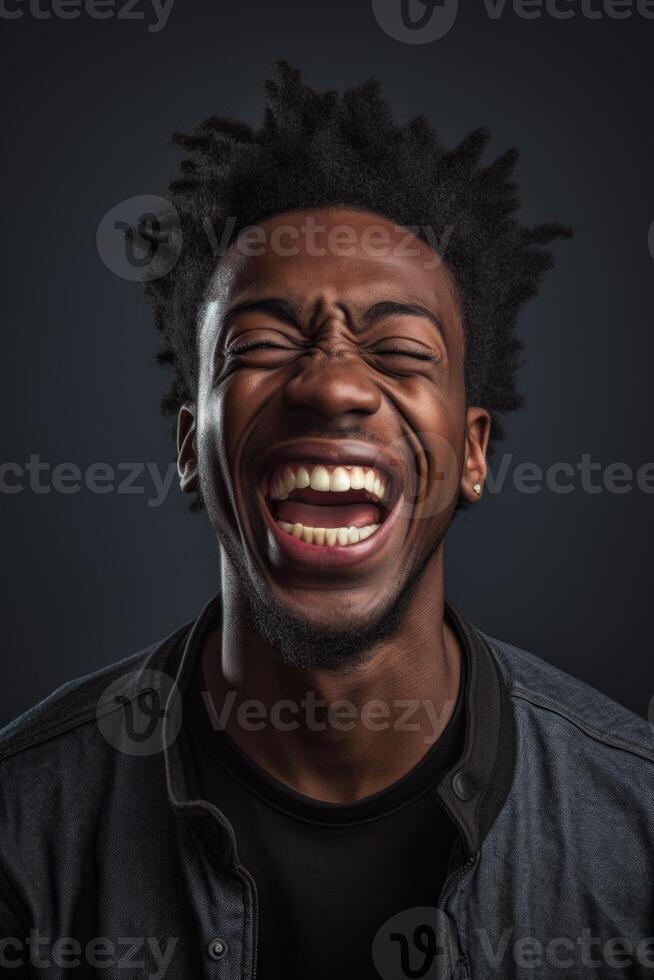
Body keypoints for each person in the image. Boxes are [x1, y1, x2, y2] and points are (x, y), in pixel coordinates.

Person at [1, 62, 652, 980]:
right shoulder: (22, 838)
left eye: (398, 350)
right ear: (192, 444)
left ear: (472, 452)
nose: (333, 384)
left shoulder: (636, 838)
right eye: (263, 345)